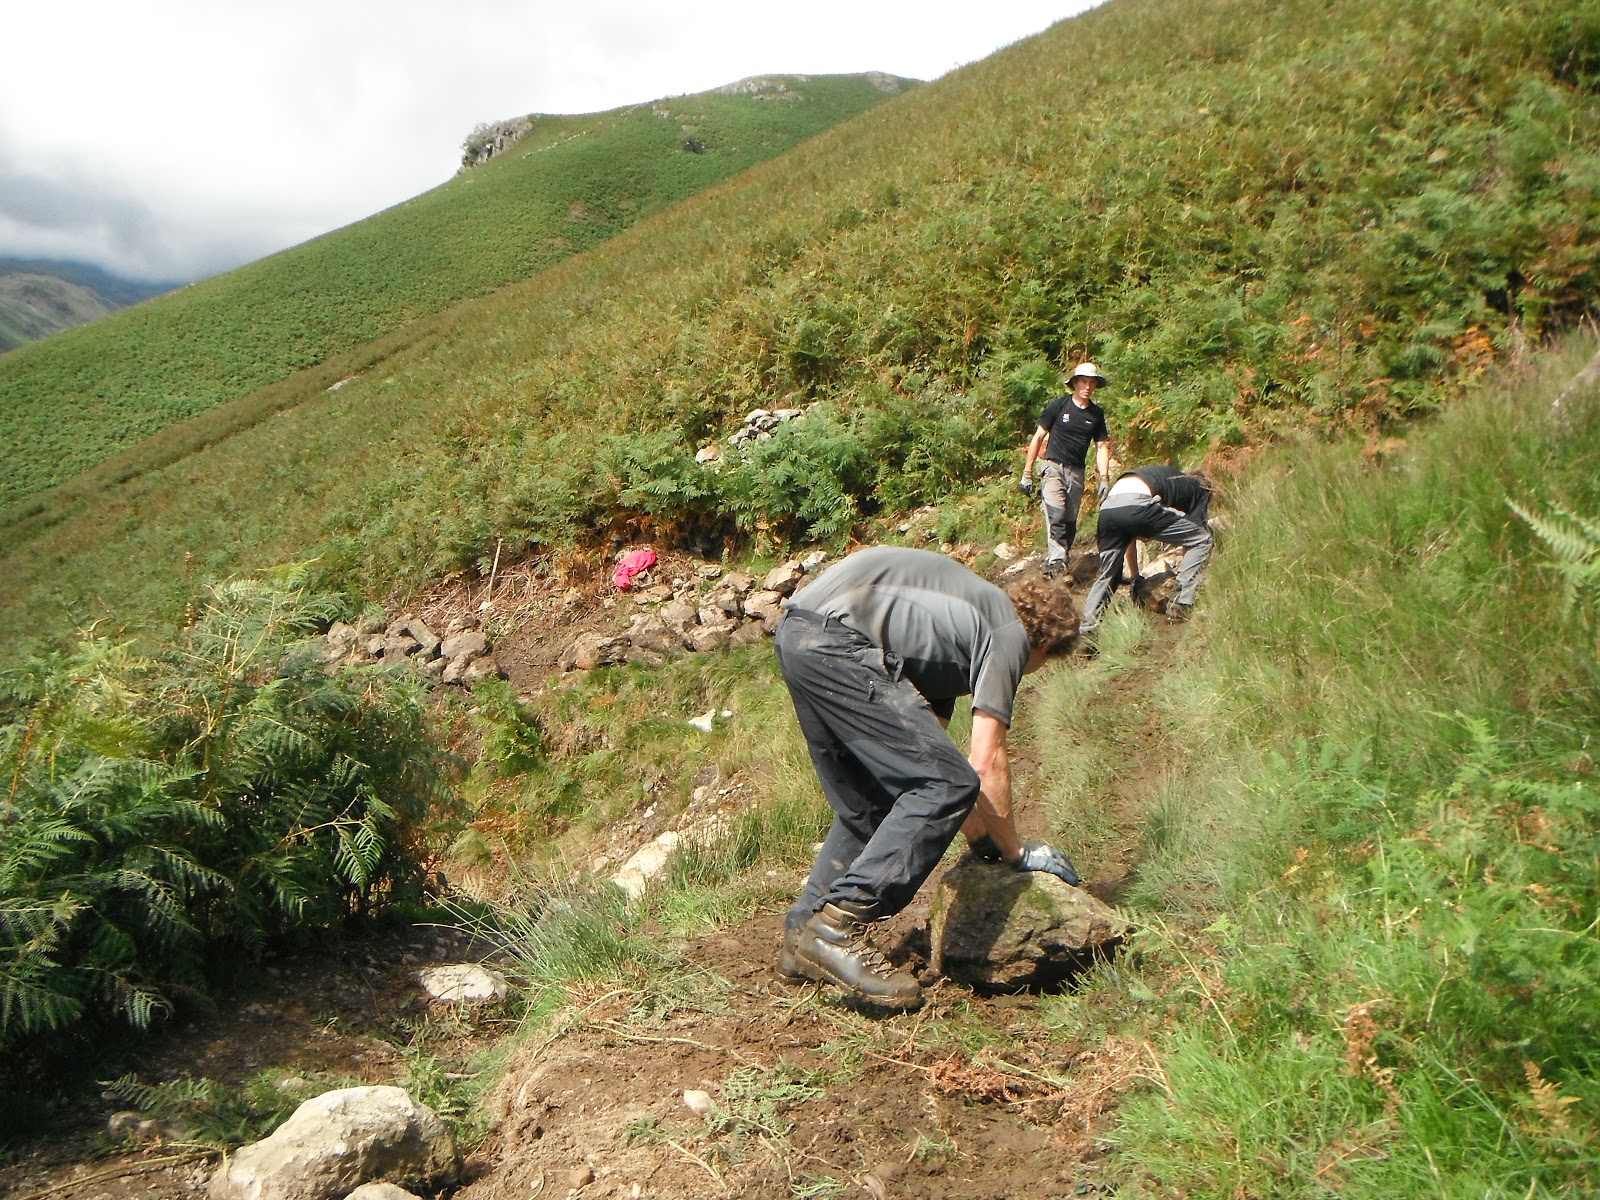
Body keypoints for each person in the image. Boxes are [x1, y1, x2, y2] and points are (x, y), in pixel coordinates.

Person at [773, 546, 1083, 1010]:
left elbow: (923, 770)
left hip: (800, 635)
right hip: (837, 640)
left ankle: (802, 938)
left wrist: (984, 845)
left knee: (872, 802)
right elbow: (982, 764)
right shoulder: (1008, 634)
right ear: (1044, 646)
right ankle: (837, 927)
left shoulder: (947, 641)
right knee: (946, 784)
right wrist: (1015, 853)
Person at [1079, 465, 1214, 639]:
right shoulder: (1201, 489)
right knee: (1202, 539)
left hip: (1108, 509)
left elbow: (1130, 536)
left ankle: (1088, 630)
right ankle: (1181, 601)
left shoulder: (1165, 477)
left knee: (1108, 574)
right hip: (1138, 504)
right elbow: (1193, 536)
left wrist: (1135, 578)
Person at [1018, 363, 1114, 576]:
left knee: (1069, 522)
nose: (1087, 386)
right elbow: (1038, 437)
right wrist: (1027, 474)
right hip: (1053, 467)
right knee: (1056, 514)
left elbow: (1101, 447)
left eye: (1091, 382)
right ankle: (1055, 561)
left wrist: (1104, 478)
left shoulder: (1096, 415)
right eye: (1083, 382)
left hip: (1076, 473)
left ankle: (1060, 560)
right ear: (1075, 383)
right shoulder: (1059, 406)